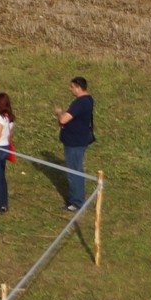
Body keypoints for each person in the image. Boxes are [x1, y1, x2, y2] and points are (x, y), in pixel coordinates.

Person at [54, 76, 96, 212]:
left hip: (74, 142)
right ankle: (78, 199)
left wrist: (60, 113)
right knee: (77, 169)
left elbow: (64, 119)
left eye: (72, 87)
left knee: (74, 172)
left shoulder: (80, 103)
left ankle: (76, 202)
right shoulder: (88, 100)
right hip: (80, 140)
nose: (70, 89)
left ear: (78, 87)